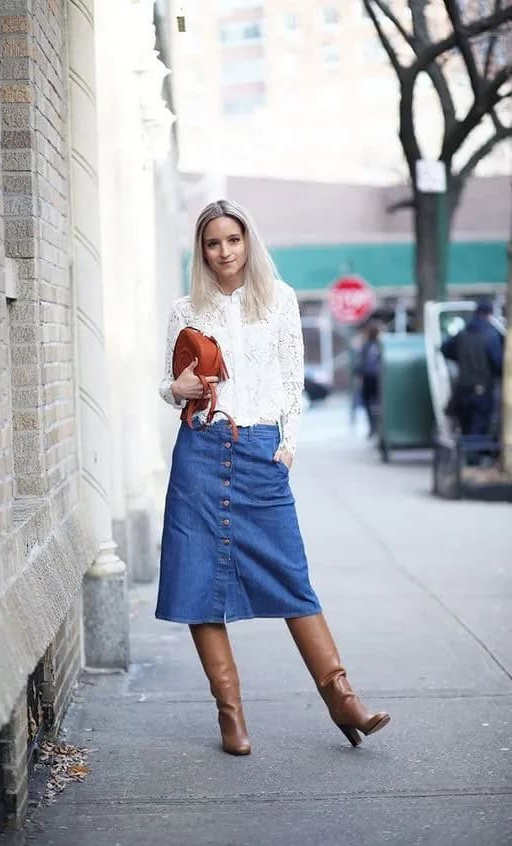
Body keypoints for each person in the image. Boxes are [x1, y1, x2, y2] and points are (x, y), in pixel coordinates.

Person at [156, 199, 390, 755]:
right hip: (201, 453)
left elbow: (291, 380)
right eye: (213, 243)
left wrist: (287, 446)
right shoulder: (185, 308)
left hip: (261, 451)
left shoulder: (280, 300)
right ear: (202, 250)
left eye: (232, 240)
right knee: (196, 582)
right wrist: (176, 391)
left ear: (247, 241)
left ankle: (342, 698)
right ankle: (230, 715)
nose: (224, 252)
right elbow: (171, 384)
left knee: (290, 575)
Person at [441, 300, 503, 440]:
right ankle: (473, 460)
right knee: (479, 429)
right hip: (482, 391)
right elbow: (498, 363)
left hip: (462, 390)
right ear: (489, 315)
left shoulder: (462, 334)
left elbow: (445, 349)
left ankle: (466, 458)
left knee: (465, 429)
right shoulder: (491, 336)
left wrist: (459, 359)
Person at [357, 324, 381, 438]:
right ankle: (373, 427)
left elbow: (361, 363)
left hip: (372, 378)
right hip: (373, 378)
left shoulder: (368, 346)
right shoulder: (372, 346)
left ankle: (374, 427)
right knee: (372, 402)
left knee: (372, 403)